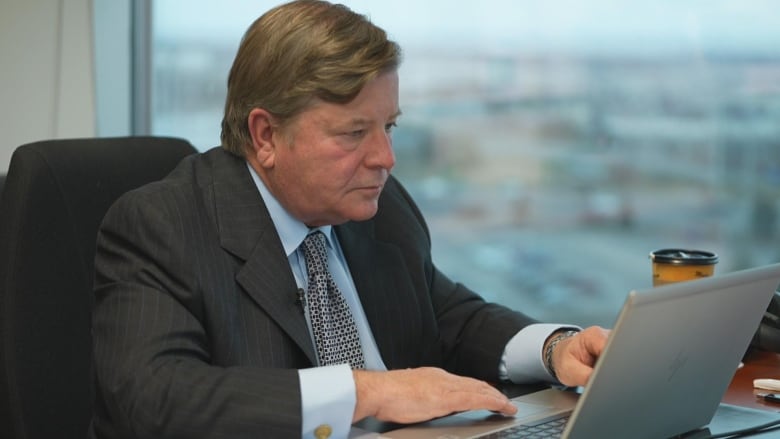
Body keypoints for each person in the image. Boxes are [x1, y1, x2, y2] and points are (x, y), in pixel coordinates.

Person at [89, 1, 609, 438]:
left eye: (389, 126)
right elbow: (153, 395)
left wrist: (555, 348)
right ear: (266, 136)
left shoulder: (377, 207)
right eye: (354, 133)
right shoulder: (162, 224)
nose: (385, 157)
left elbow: (449, 315)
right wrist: (368, 391)